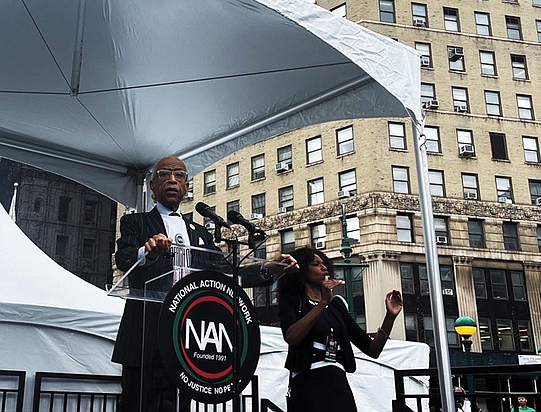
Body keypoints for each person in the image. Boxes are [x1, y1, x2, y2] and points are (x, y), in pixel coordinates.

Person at [112, 156, 297, 412]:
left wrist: (267, 270)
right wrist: (147, 252)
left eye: (180, 175)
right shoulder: (136, 222)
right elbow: (123, 258)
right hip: (146, 334)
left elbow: (225, 274)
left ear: (187, 186)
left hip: (187, 338)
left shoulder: (200, 232)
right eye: (164, 174)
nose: (173, 180)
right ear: (152, 185)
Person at [277, 246, 403, 412]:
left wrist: (390, 317)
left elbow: (372, 350)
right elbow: (292, 337)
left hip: (337, 381)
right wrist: (323, 303)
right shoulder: (292, 300)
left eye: (325, 264)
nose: (324, 267)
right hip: (308, 381)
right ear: (302, 270)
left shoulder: (336, 306)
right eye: (316, 264)